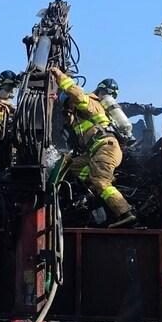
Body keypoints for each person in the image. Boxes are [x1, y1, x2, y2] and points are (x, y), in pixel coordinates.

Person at [49, 67, 136, 227]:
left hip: (105, 147)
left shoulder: (90, 103)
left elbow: (76, 94)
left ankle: (125, 213)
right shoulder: (79, 118)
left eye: (68, 105)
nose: (68, 110)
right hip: (95, 151)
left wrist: (60, 76)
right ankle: (93, 192)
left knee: (101, 181)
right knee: (72, 166)